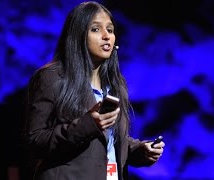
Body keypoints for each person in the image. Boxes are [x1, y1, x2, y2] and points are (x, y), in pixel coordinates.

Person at [22, 1, 165, 180]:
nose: (107, 36)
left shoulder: (115, 84)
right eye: (96, 29)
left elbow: (109, 141)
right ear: (78, 36)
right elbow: (35, 141)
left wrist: (140, 150)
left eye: (110, 30)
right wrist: (87, 124)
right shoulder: (52, 77)